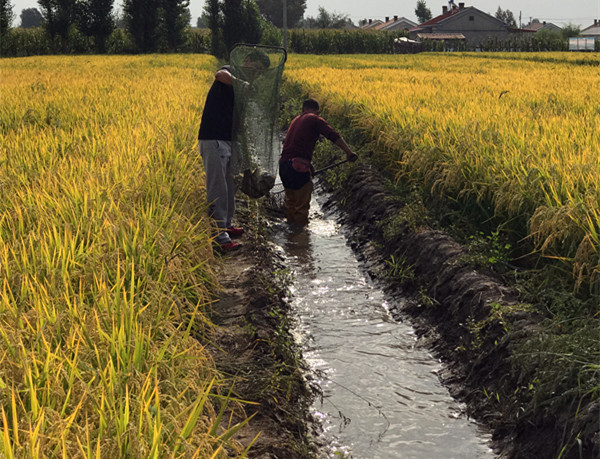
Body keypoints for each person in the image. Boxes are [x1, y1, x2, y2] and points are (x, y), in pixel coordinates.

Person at [197, 51, 270, 252]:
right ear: (246, 60)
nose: (255, 75)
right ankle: (219, 236)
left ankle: (227, 225)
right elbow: (219, 75)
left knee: (231, 185)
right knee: (217, 188)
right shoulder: (230, 72)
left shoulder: (244, 87)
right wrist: (241, 84)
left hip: (229, 140)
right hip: (214, 139)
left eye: (259, 73)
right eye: (255, 69)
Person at [279, 99, 358, 226]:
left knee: (291, 206)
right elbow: (333, 135)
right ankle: (300, 241)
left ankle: (289, 237)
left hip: (284, 167)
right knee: (301, 210)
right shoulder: (314, 119)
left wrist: (309, 166)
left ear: (302, 109)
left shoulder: (295, 120)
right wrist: (349, 152)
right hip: (297, 168)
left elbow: (295, 148)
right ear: (317, 111)